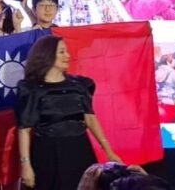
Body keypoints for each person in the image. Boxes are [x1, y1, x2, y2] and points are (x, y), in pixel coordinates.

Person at [16, 36, 120, 190]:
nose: (67, 56)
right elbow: (24, 129)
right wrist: (26, 165)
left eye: (67, 51)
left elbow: (90, 118)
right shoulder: (32, 89)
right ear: (47, 55)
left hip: (79, 149)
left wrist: (108, 151)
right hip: (48, 153)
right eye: (62, 52)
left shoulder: (79, 85)